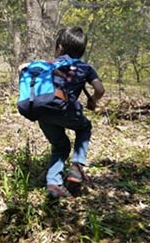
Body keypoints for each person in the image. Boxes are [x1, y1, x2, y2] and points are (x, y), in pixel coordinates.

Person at [37, 26, 105, 200]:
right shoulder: (85, 67)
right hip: (69, 111)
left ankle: (53, 184)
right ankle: (76, 166)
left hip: (44, 114)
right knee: (84, 128)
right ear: (82, 51)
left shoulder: (48, 65)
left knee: (60, 146)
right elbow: (99, 89)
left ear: (59, 47)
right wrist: (93, 100)